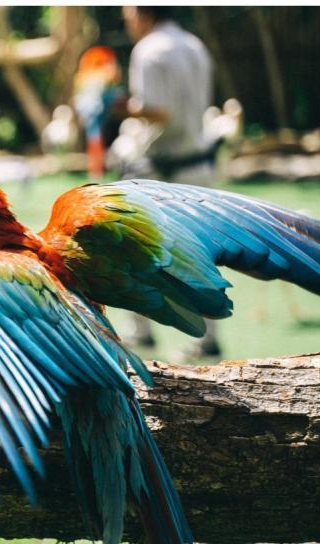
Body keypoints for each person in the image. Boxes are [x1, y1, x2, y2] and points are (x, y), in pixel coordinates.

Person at [119, 6, 221, 357]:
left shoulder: (148, 50)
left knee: (134, 248)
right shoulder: (194, 44)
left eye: (128, 11)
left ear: (143, 12)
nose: (126, 19)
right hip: (199, 162)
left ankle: (140, 330)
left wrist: (114, 105)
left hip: (161, 169)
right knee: (200, 254)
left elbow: (159, 111)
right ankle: (208, 337)